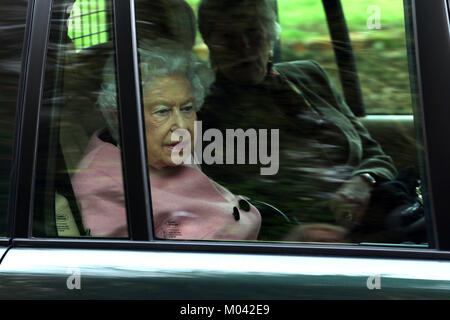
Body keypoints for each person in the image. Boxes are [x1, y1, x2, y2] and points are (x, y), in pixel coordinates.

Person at [197, 0, 397, 242]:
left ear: (271, 35)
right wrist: (290, 238)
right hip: (314, 244)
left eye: (253, 31)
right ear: (211, 44)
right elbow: (229, 212)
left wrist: (363, 180)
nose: (245, 47)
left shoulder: (310, 75)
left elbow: (374, 153)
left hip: (382, 216)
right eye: (228, 37)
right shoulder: (205, 115)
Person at [71, 41, 261, 239]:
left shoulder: (165, 150)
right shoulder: (102, 184)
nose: (180, 125)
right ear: (122, 118)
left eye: (187, 108)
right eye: (162, 111)